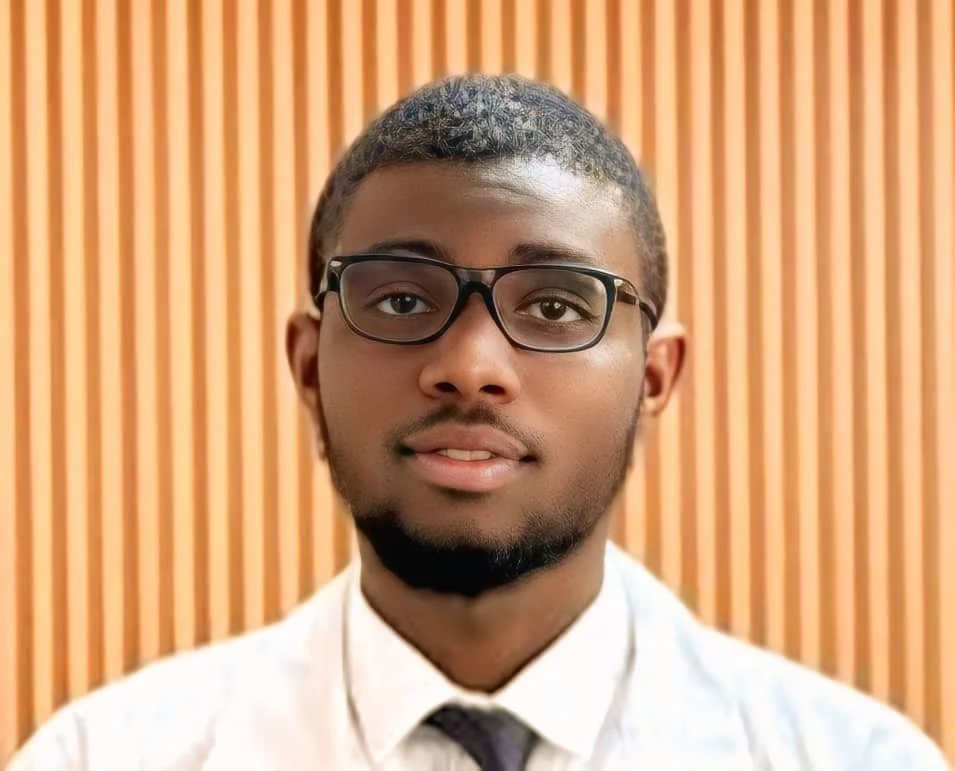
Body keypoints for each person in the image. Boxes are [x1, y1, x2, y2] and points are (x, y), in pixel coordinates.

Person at [7, 73, 948, 771]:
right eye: (402, 299)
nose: (467, 367)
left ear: (654, 377)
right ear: (307, 365)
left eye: (552, 307)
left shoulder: (860, 759)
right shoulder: (100, 757)